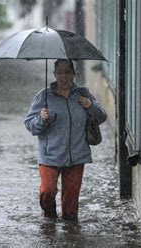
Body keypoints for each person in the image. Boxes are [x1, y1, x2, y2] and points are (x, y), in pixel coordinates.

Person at [24, 59, 107, 221]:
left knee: (70, 210)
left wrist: (90, 105)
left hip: (76, 156)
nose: (64, 77)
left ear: (73, 74)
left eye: (67, 72)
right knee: (48, 191)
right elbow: (29, 124)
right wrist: (41, 119)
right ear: (54, 75)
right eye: (60, 73)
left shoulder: (83, 94)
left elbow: (102, 116)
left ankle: (70, 235)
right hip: (50, 156)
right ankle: (48, 221)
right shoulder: (44, 97)